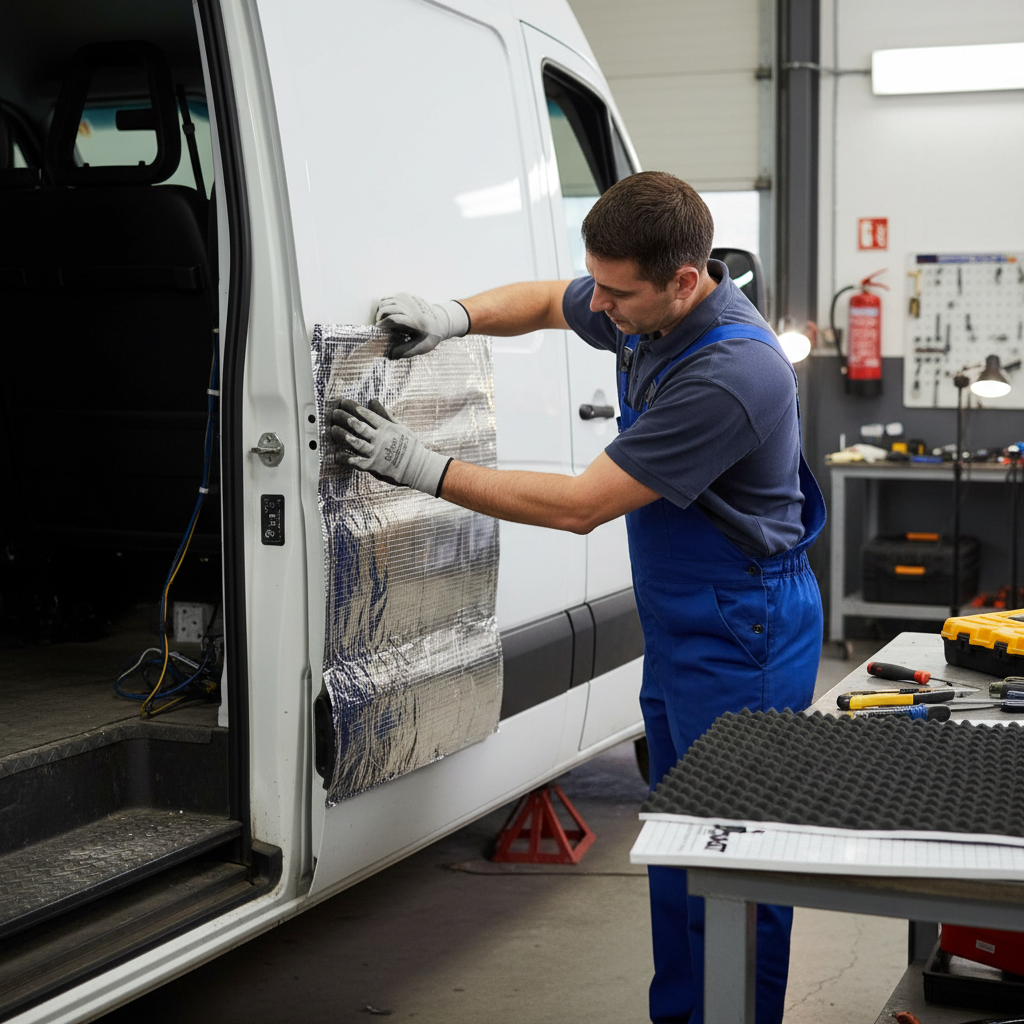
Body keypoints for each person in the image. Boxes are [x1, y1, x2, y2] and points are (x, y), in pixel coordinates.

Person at [331, 171, 825, 1024]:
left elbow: (580, 507)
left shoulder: (732, 372)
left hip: (744, 627)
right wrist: (452, 316)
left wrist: (423, 468)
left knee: (732, 862)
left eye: (617, 291)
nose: (600, 304)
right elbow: (546, 302)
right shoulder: (646, 304)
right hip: (688, 621)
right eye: (596, 279)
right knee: (677, 851)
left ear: (685, 277)